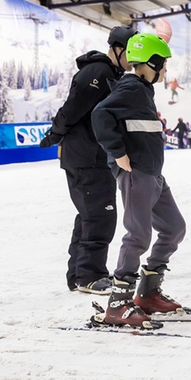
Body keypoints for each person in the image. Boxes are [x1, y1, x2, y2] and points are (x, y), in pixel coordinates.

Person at [91, 33, 189, 329]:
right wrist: (118, 153)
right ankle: (118, 305)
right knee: (138, 236)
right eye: (164, 64)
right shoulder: (132, 87)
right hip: (137, 174)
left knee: (173, 228)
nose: (166, 70)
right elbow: (100, 114)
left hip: (153, 174)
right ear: (153, 62)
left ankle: (147, 293)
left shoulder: (142, 90)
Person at [39, 25, 136, 295]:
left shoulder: (111, 73)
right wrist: (55, 133)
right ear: (117, 49)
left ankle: (78, 274)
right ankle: (90, 276)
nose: (134, 59)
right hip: (86, 156)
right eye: (130, 53)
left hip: (93, 156)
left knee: (89, 215)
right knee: (99, 215)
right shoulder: (99, 72)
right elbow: (73, 107)